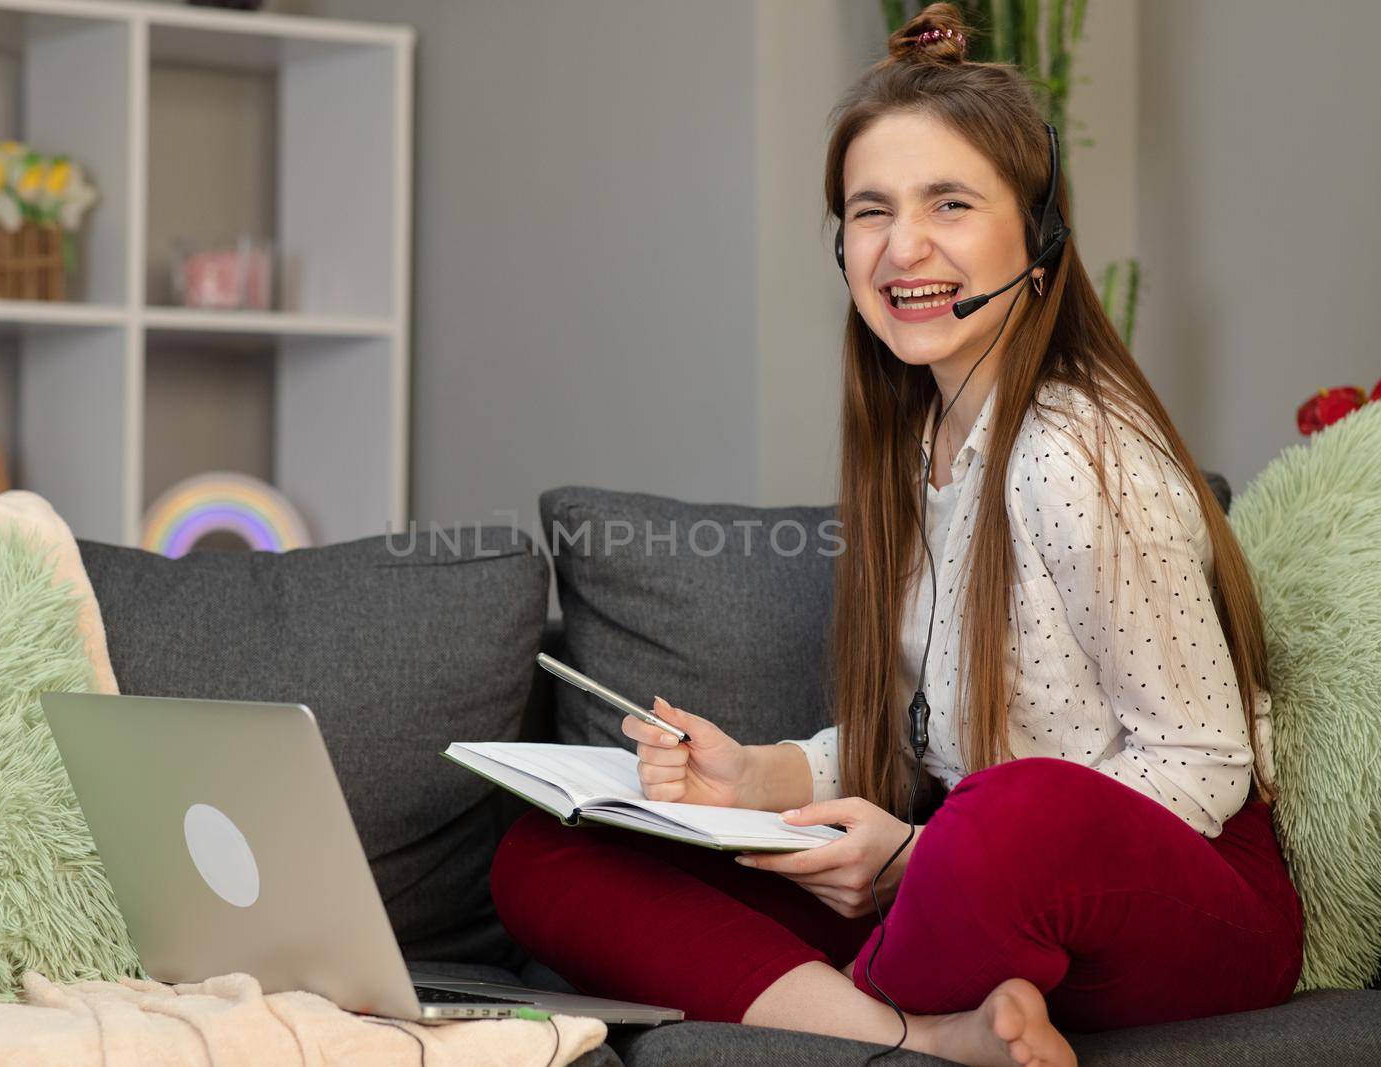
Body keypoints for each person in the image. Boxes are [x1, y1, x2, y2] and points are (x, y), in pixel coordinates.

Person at [490, 5, 1303, 1065]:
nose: (902, 247)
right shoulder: (918, 442)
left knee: (1003, 810)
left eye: (950, 204)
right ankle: (924, 1030)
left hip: (1179, 902)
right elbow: (936, 733)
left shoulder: (1074, 454)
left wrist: (923, 854)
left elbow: (1200, 762)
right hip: (972, 880)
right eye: (869, 211)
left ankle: (872, 1005)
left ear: (1038, 235)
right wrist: (758, 779)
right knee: (542, 855)